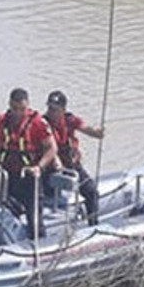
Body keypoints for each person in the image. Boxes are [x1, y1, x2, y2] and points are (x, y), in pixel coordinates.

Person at [0, 87, 57, 239]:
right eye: (15, 108)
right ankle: (8, 240)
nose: (18, 113)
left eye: (22, 109)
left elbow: (51, 148)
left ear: (28, 106)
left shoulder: (38, 123)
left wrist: (39, 167)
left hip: (30, 177)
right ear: (9, 105)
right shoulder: (0, 122)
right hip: (7, 175)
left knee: (34, 217)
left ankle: (39, 241)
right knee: (4, 209)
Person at [43, 90, 104, 225]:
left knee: (91, 191)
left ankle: (93, 223)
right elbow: (50, 147)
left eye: (55, 109)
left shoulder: (70, 120)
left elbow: (84, 127)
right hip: (51, 168)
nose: (51, 112)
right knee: (45, 198)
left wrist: (96, 133)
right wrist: (57, 164)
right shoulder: (43, 124)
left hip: (71, 166)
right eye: (49, 108)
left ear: (63, 110)